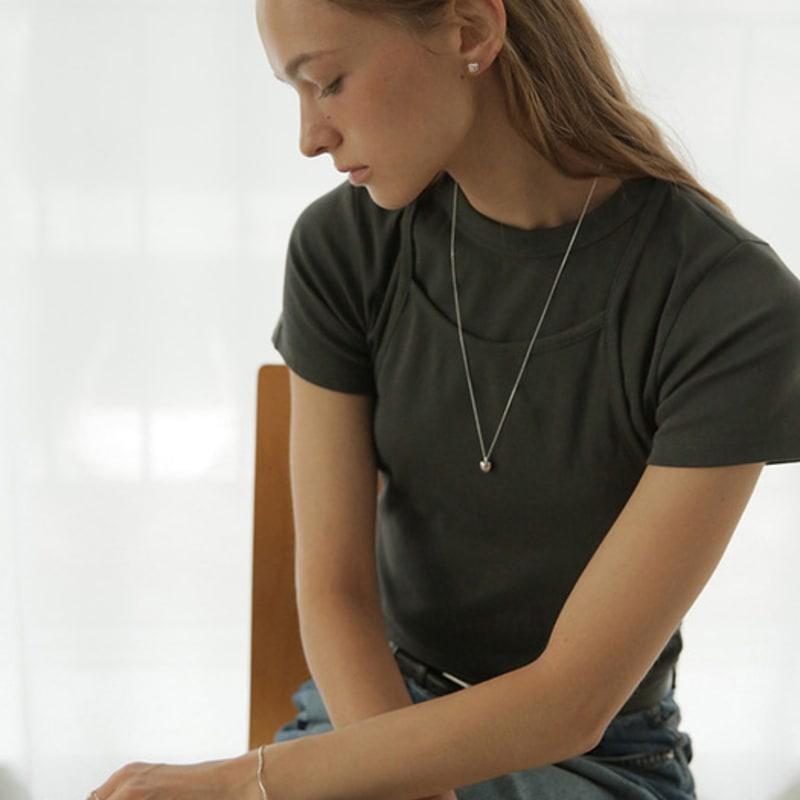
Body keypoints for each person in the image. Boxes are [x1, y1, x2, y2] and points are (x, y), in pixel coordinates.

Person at [256, 1, 800, 798]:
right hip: (375, 712)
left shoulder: (729, 305)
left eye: (328, 82)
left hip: (601, 756)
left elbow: (572, 702)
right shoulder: (343, 250)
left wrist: (252, 782)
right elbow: (334, 592)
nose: (311, 136)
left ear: (471, 32)